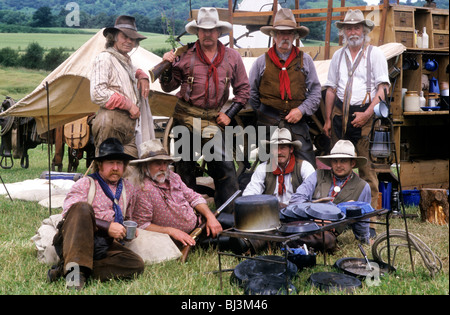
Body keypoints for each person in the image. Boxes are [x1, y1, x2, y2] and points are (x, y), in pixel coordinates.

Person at [159, 7, 250, 213]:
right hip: (185, 116)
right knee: (185, 170)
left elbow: (244, 90)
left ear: (218, 32)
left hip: (213, 120)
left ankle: (227, 218)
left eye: (211, 30)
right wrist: (167, 66)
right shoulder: (184, 55)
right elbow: (168, 86)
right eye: (203, 30)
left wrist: (229, 113)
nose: (207, 34)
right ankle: (187, 217)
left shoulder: (232, 57)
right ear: (197, 32)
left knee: (225, 167)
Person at [323, 9, 390, 237]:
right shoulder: (338, 56)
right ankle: (336, 219)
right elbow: (331, 89)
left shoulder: (375, 54)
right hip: (340, 116)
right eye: (349, 28)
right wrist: (327, 119)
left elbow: (382, 89)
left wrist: (367, 114)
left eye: (357, 27)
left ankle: (368, 226)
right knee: (338, 167)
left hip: (364, 115)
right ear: (343, 32)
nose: (353, 32)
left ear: (364, 30)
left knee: (366, 171)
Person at [47, 138, 144, 290]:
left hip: (104, 245)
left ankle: (69, 269)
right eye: (110, 163)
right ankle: (74, 276)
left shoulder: (128, 188)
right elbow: (70, 212)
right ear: (100, 164)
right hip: (78, 239)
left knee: (135, 264)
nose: (115, 167)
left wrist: (125, 230)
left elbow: (128, 218)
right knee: (82, 208)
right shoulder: (86, 183)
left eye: (119, 163)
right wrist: (107, 227)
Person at [249, 8, 322, 168]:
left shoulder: (306, 60)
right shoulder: (261, 62)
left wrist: (301, 110)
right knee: (266, 166)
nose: (285, 37)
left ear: (295, 36)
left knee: (307, 165)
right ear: (274, 36)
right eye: (281, 33)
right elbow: (252, 94)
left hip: (297, 121)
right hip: (268, 121)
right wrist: (264, 113)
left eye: (289, 33)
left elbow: (316, 92)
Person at [131, 139, 223, 247]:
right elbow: (142, 225)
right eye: (157, 164)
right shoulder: (143, 190)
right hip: (181, 239)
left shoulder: (173, 177)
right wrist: (171, 231)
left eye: (165, 163)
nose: (163, 168)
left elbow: (193, 197)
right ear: (144, 166)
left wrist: (210, 217)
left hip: (200, 224)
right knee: (234, 242)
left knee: (236, 223)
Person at [90, 15, 154, 159]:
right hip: (111, 121)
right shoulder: (104, 58)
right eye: (124, 36)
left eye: (132, 38)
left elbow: (130, 69)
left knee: (130, 170)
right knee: (108, 168)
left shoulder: (124, 59)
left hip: (128, 125)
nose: (129, 41)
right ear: (114, 37)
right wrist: (128, 104)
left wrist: (142, 75)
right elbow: (97, 93)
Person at [288, 140, 372, 243]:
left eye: (343, 161)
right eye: (335, 161)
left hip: (328, 230)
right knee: (278, 207)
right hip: (304, 220)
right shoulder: (318, 174)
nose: (338, 165)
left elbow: (362, 219)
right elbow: (297, 199)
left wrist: (363, 240)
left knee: (326, 240)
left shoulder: (362, 186)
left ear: (352, 163)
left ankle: (287, 239)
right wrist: (314, 216)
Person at [242, 128, 315, 208]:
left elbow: (310, 194)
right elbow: (250, 193)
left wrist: (285, 206)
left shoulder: (304, 167)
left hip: (297, 213)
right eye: (275, 148)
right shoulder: (263, 168)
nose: (279, 152)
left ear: (291, 149)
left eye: (283, 148)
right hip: (270, 213)